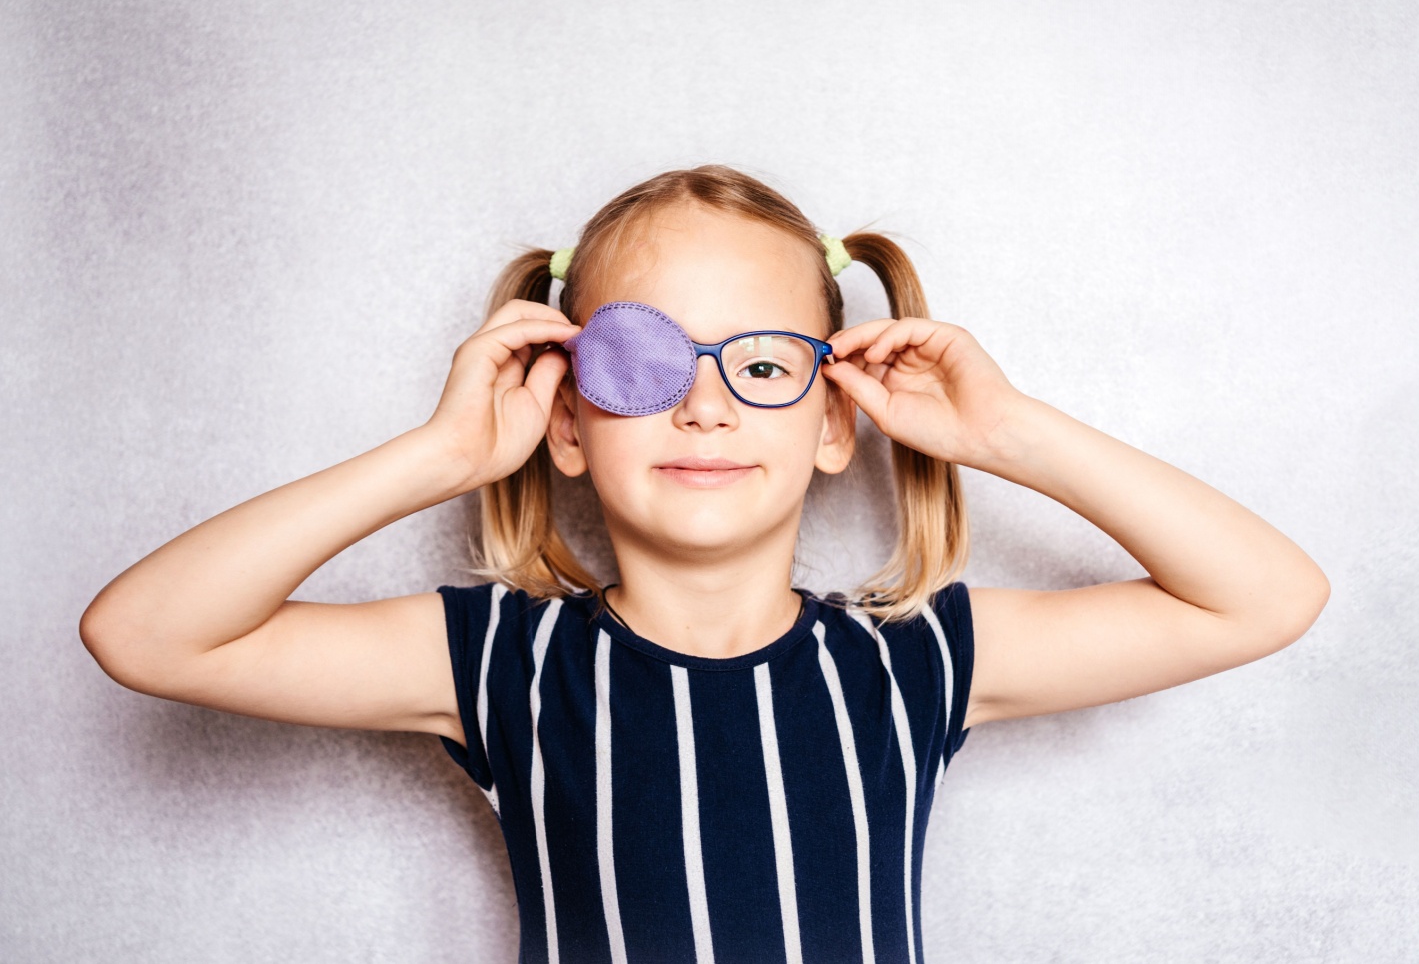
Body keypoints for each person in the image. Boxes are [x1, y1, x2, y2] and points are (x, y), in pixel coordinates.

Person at [80, 164, 1330, 964]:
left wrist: (1004, 432)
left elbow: (1266, 595)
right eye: (644, 365)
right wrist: (439, 454)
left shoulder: (917, 663)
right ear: (567, 420)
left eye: (765, 365)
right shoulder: (504, 662)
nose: (707, 408)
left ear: (837, 418)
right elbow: (147, 635)